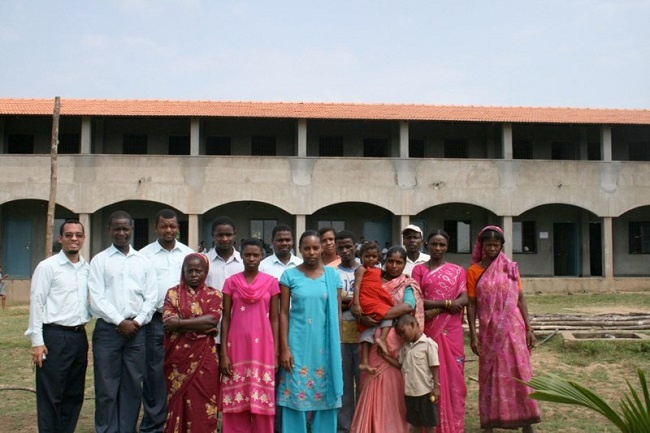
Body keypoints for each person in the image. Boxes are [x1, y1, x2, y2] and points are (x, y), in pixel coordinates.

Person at [88, 210, 158, 433]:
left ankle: (127, 429)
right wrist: (120, 321)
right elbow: (96, 298)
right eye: (116, 228)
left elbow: (151, 296)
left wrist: (136, 322)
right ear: (109, 230)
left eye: (125, 228)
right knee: (106, 387)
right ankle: (107, 430)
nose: (121, 232)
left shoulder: (143, 261)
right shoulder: (100, 261)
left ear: (132, 230)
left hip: (137, 332)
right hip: (109, 332)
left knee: (132, 386)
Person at [466, 226, 541, 433]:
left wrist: (529, 328)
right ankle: (490, 422)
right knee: (491, 373)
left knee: (520, 371)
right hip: (489, 331)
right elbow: (471, 303)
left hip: (513, 327)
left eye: (496, 245)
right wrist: (472, 334)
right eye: (488, 245)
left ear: (501, 246)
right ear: (481, 246)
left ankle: (527, 421)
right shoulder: (474, 271)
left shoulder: (510, 267)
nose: (492, 248)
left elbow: (520, 298)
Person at [350, 246, 425, 433]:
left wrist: (377, 316)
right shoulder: (372, 278)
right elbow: (355, 302)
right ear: (384, 261)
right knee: (371, 384)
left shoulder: (407, 284)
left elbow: (408, 306)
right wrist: (361, 316)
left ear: (404, 264)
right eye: (390, 261)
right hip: (371, 343)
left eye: (399, 262)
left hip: (395, 345)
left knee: (394, 389)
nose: (393, 265)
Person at [25, 219, 90, 433]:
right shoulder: (48, 267)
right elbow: (37, 303)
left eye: (78, 235)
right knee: (51, 395)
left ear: (83, 238)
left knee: (73, 395)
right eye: (69, 234)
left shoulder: (86, 268)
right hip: (54, 337)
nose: (74, 239)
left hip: (79, 337)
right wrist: (37, 342)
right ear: (60, 238)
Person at [278, 230, 343, 433]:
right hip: (296, 345)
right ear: (300, 249)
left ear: (322, 248)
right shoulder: (289, 275)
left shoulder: (333, 276)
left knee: (325, 395)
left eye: (316, 247)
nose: (312, 252)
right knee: (295, 394)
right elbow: (283, 314)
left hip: (325, 346)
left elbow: (338, 313)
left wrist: (337, 347)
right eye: (307, 248)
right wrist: (284, 348)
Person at [139, 209, 194, 433]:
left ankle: (177, 422)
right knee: (154, 374)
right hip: (156, 321)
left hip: (184, 324)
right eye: (164, 226)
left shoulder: (188, 254)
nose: (169, 230)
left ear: (178, 228)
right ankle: (154, 425)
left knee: (182, 370)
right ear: (156, 228)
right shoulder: (144, 255)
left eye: (172, 226)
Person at [221, 238, 280, 433]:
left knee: (261, 397)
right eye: (248, 255)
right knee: (237, 398)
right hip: (236, 346)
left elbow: (275, 319)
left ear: (262, 256)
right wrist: (223, 354)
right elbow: (226, 318)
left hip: (263, 345)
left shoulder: (271, 283)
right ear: (241, 255)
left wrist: (277, 352)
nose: (252, 258)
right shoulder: (231, 282)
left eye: (256, 255)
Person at [412, 229, 468, 433]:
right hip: (428, 330)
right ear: (427, 245)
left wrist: (439, 308)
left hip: (451, 329)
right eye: (434, 244)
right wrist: (445, 304)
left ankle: (453, 423)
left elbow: (464, 298)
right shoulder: (419, 270)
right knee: (428, 375)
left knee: (454, 375)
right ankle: (430, 424)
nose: (438, 248)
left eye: (442, 244)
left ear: (447, 246)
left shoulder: (457, 270)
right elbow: (417, 299)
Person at [163, 253, 222, 433]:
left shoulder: (214, 294)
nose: (195, 274)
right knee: (177, 399)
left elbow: (212, 320)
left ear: (206, 272)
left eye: (199, 270)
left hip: (206, 358)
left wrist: (180, 324)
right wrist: (200, 325)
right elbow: (168, 321)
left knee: (204, 400)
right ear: (184, 271)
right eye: (190, 270)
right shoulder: (172, 293)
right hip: (177, 358)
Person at [391, 313, 440, 433]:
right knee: (415, 423)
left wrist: (436, 386)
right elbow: (400, 364)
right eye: (400, 335)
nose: (402, 336)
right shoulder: (405, 348)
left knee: (429, 423)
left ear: (413, 325)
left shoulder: (428, 344)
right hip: (410, 393)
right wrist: (385, 357)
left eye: (403, 332)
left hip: (425, 392)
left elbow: (434, 365)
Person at [350, 241, 394, 374]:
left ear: (378, 257)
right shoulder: (361, 269)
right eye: (367, 256)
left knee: (368, 330)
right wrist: (356, 304)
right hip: (366, 301)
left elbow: (388, 277)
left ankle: (364, 362)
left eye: (374, 256)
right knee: (389, 313)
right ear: (361, 256)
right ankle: (382, 338)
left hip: (375, 299)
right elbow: (356, 286)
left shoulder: (378, 270)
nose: (371, 259)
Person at [334, 230, 361, 433]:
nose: (345, 250)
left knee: (363, 382)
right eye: (341, 247)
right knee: (343, 384)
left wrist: (344, 300)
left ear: (355, 246)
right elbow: (332, 300)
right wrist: (353, 301)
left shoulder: (366, 269)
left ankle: (361, 423)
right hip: (341, 334)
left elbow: (369, 300)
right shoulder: (332, 272)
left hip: (363, 333)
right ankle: (344, 427)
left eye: (348, 246)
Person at [205, 216, 244, 348]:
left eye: (228, 235)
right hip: (210, 328)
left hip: (239, 325)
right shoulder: (204, 261)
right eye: (220, 235)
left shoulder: (244, 262)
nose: (225, 239)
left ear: (235, 235)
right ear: (213, 236)